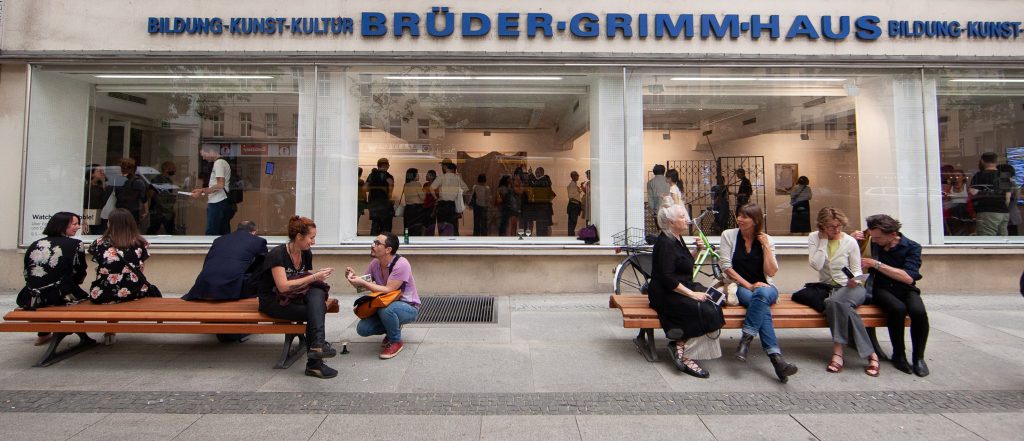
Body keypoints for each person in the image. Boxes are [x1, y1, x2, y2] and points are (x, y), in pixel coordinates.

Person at [793, 208, 880, 377]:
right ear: (822, 226)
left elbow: (856, 268)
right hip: (828, 288)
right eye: (832, 226)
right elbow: (816, 265)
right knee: (840, 306)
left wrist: (856, 280)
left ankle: (838, 353)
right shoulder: (814, 238)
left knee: (832, 303)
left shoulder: (849, 241)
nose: (837, 229)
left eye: (839, 225)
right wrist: (823, 241)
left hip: (852, 288)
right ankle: (871, 354)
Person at [719, 203, 798, 383]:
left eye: (744, 217)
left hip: (766, 287)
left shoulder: (767, 240)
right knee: (762, 308)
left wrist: (766, 247)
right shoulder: (728, 235)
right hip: (741, 287)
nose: (739, 219)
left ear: (755, 220)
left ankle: (746, 340)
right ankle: (777, 360)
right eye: (739, 215)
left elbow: (771, 272)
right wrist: (749, 285)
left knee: (761, 296)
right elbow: (726, 267)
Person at [258, 216, 338, 379]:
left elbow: (303, 281)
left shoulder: (306, 253)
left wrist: (315, 277)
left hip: (292, 298)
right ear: (299, 237)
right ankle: (315, 362)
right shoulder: (278, 254)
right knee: (316, 309)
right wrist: (314, 277)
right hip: (274, 301)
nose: (313, 242)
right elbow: (283, 286)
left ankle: (317, 346)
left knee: (317, 292)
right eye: (311, 238)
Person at [647, 202, 719, 379]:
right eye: (682, 217)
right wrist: (693, 294)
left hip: (679, 287)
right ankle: (683, 352)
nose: (687, 220)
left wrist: (696, 250)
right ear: (671, 222)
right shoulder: (665, 243)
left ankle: (680, 343)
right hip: (665, 293)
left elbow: (683, 265)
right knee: (707, 310)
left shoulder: (676, 238)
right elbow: (668, 279)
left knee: (715, 301)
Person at [855, 214, 930, 377]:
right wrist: (853, 237)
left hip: (905, 288)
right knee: (897, 309)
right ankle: (899, 355)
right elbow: (847, 247)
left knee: (918, 312)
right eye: (873, 237)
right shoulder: (872, 241)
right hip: (879, 288)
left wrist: (876, 264)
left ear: (893, 234)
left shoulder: (912, 247)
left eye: (878, 238)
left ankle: (919, 358)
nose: (874, 241)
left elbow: (908, 277)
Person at [18, 212, 90, 346]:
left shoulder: (35, 244)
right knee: (82, 298)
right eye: (74, 224)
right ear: (62, 225)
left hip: (32, 296)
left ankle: (43, 334)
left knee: (52, 294)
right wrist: (74, 283)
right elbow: (80, 270)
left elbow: (27, 273)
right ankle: (81, 332)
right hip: (59, 295)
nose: (78, 227)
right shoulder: (75, 244)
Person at [347, 231, 420, 360]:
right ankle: (393, 327)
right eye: (373, 242)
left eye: (377, 243)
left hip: (408, 307)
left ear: (388, 249)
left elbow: (389, 290)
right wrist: (352, 278)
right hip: (384, 304)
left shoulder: (401, 264)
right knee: (362, 329)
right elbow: (362, 287)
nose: (372, 245)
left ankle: (395, 341)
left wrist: (363, 282)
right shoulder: (375, 263)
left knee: (386, 310)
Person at [183, 221, 267, 301]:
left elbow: (207, 261)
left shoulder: (219, 239)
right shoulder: (258, 241)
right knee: (264, 263)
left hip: (204, 286)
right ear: (254, 232)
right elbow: (264, 263)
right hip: (231, 288)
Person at [191, 145, 232, 235]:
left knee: (212, 232)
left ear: (211, 151)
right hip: (221, 201)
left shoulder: (219, 163)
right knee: (223, 231)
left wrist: (201, 191)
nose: (203, 158)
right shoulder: (223, 162)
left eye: (204, 155)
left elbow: (220, 185)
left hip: (217, 201)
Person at [969, 152, 1011, 236]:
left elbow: (972, 192)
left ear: (982, 161)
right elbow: (1008, 196)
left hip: (987, 211)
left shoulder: (979, 175)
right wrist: (1003, 206)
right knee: (1003, 239)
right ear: (996, 161)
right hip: (1004, 212)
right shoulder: (1004, 176)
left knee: (987, 239)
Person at [431, 159, 469, 236]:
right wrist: (458, 196)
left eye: (442, 166)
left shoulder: (441, 177)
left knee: (442, 228)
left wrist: (436, 198)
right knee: (453, 227)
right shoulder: (457, 178)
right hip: (452, 205)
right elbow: (466, 189)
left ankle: (443, 241)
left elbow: (431, 188)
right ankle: (453, 242)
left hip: (442, 205)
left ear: (445, 167)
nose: (442, 167)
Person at [114, 158, 149, 226]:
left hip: (124, 212)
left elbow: (144, 198)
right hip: (128, 212)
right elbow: (144, 198)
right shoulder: (137, 181)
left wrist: (146, 211)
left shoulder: (119, 180)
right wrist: (146, 211)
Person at [146, 161, 178, 235]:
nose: (175, 170)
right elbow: (151, 193)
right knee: (153, 230)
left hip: (166, 210)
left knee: (170, 230)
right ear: (166, 168)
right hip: (158, 210)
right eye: (173, 168)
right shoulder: (157, 180)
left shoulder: (169, 181)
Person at [366, 158, 395, 236]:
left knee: (375, 224)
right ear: (387, 166)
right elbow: (390, 184)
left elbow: (365, 188)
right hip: (384, 204)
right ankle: (385, 241)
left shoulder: (371, 175)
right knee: (386, 226)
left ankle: (374, 240)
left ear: (378, 165)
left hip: (373, 204)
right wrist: (389, 196)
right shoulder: (387, 176)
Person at [84, 164, 112, 235]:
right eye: (100, 171)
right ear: (92, 174)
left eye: (103, 171)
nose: (102, 172)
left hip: (100, 217)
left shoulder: (103, 187)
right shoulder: (87, 188)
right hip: (90, 216)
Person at [997, 163, 1021, 235]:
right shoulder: (1013, 183)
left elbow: (1007, 200)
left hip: (1007, 217)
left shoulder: (1008, 184)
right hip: (1012, 216)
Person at [402, 168, 426, 236]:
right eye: (417, 174)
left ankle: (406, 240)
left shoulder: (406, 185)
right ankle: (415, 241)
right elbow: (423, 197)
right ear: (413, 175)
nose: (419, 175)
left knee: (407, 228)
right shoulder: (417, 184)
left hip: (408, 209)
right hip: (417, 210)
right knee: (416, 228)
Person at [421, 169, 438, 236]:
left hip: (432, 207)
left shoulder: (436, 185)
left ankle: (429, 239)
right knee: (424, 225)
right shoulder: (425, 184)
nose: (426, 176)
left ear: (432, 176)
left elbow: (437, 199)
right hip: (424, 207)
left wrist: (434, 210)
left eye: (427, 175)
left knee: (431, 226)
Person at [566, 171, 583, 236]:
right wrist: (578, 191)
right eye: (577, 175)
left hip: (574, 205)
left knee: (573, 222)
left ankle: (571, 236)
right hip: (573, 205)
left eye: (578, 175)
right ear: (573, 176)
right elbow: (570, 196)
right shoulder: (572, 184)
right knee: (572, 222)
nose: (578, 177)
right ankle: (571, 236)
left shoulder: (574, 184)